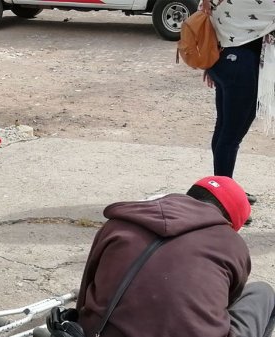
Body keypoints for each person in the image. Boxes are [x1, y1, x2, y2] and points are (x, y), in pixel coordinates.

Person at [75, 176, 275, 337]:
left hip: (101, 332)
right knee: (263, 293)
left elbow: (85, 291)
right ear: (231, 223)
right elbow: (227, 300)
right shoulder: (231, 243)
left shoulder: (118, 224)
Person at [203, 0, 275, 205]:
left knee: (224, 130)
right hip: (241, 65)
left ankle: (223, 189)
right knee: (231, 136)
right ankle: (222, 200)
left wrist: (210, 66)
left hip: (223, 60)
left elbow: (214, 23)